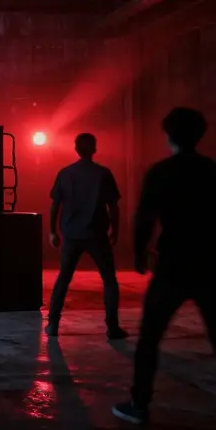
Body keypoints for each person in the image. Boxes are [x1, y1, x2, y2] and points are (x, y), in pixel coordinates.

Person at [112, 107, 216, 430]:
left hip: (173, 264)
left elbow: (144, 218)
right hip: (212, 264)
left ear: (168, 135)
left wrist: (138, 254)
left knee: (150, 338)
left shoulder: (160, 173)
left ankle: (139, 404)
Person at [47, 133, 128, 339]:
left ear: (76, 149)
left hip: (72, 234)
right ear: (94, 149)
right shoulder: (103, 174)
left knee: (64, 278)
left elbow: (56, 204)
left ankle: (53, 324)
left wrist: (52, 231)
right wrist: (115, 231)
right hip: (97, 234)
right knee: (109, 280)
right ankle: (112, 327)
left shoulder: (65, 173)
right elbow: (113, 207)